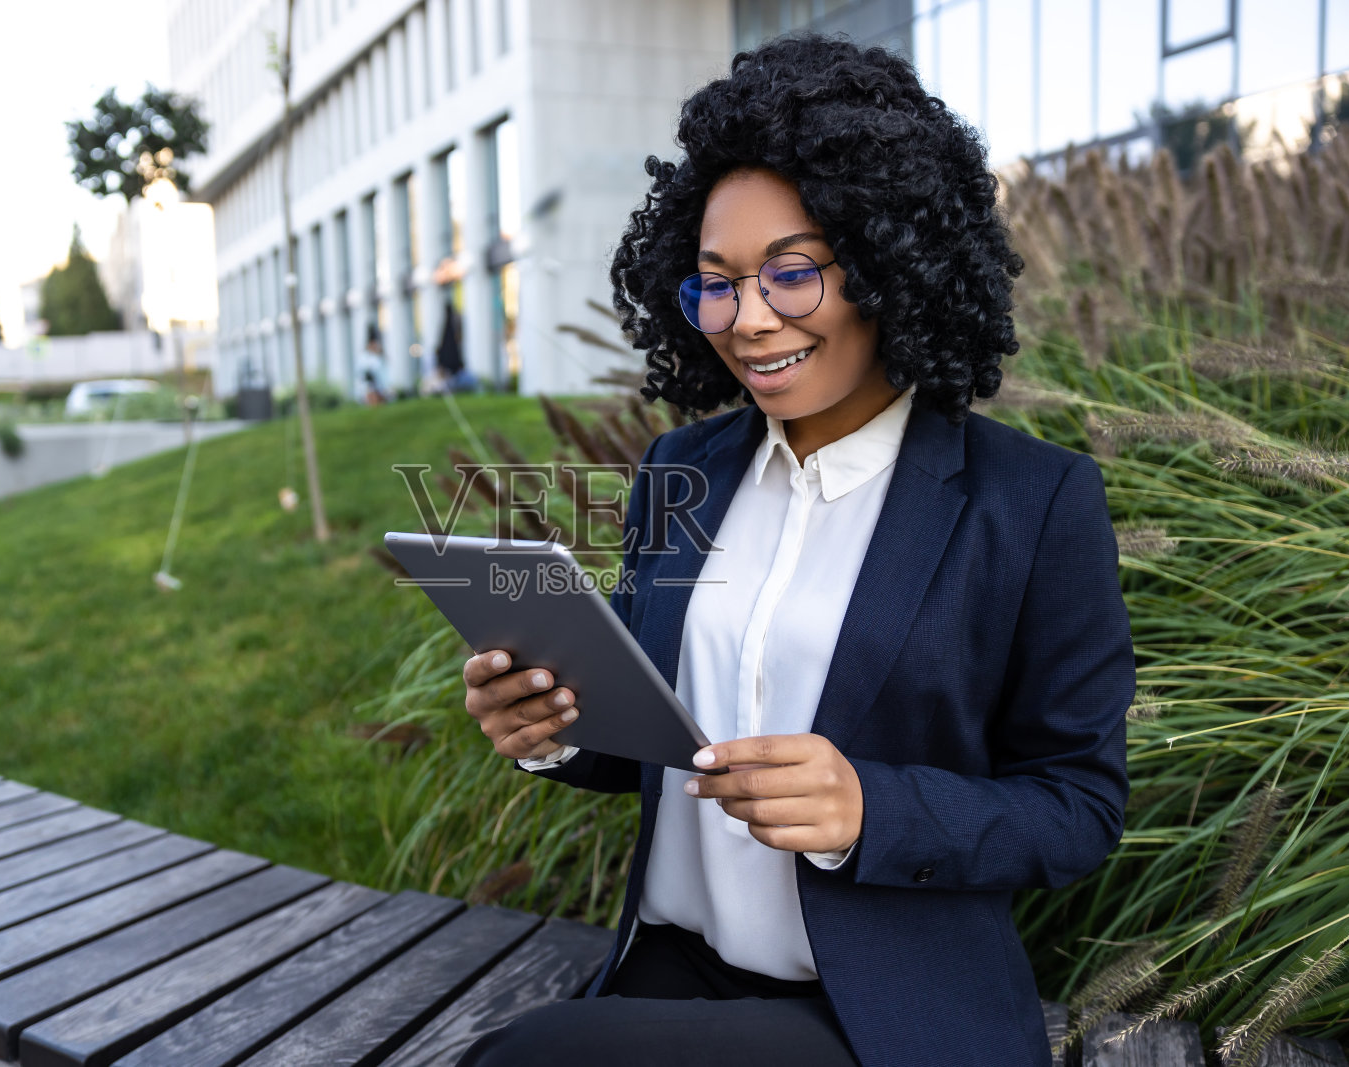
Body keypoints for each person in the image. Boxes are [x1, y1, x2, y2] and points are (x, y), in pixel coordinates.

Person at [456, 33, 1132, 1067]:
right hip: (670, 966)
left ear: (887, 262)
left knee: (519, 1061)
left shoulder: (1032, 503)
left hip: (877, 1007)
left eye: (791, 272)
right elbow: (653, 732)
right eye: (716, 283)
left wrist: (869, 807)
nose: (749, 320)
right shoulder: (680, 469)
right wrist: (548, 727)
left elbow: (1076, 807)